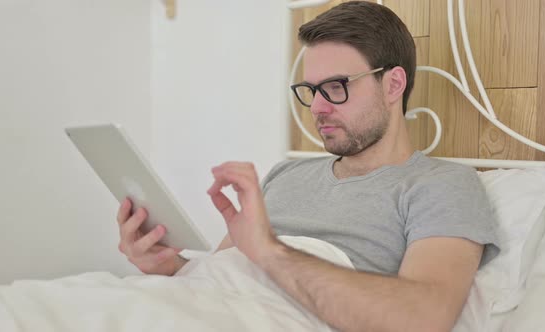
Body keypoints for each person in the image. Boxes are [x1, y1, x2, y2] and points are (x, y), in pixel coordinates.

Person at [116, 2, 499, 331]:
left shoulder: (442, 185)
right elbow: (222, 280)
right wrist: (169, 265)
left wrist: (270, 251)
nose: (317, 107)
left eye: (336, 86)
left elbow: (424, 317)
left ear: (393, 85)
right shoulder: (286, 174)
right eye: (311, 90)